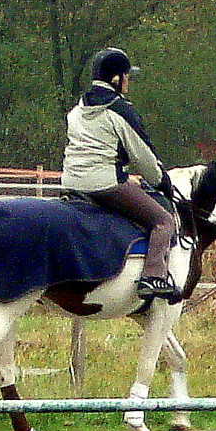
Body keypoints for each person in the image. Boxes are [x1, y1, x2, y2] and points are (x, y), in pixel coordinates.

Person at [63, 47, 180, 302]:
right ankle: (153, 277)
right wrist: (163, 182)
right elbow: (143, 156)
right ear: (117, 79)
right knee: (163, 221)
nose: (129, 81)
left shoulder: (77, 109)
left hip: (72, 182)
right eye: (127, 76)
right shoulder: (119, 110)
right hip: (105, 185)